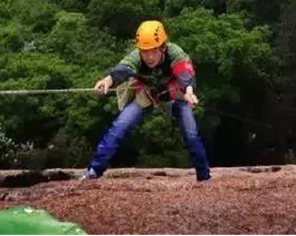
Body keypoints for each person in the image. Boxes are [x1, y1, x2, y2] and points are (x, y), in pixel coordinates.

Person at [83, 20, 211, 182]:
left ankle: (203, 177)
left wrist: (189, 89)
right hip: (147, 94)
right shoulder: (136, 56)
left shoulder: (174, 52)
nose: (149, 57)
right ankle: (94, 170)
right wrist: (107, 81)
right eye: (145, 52)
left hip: (176, 93)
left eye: (154, 51)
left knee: (191, 133)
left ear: (162, 47)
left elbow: (184, 70)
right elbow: (124, 69)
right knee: (120, 126)